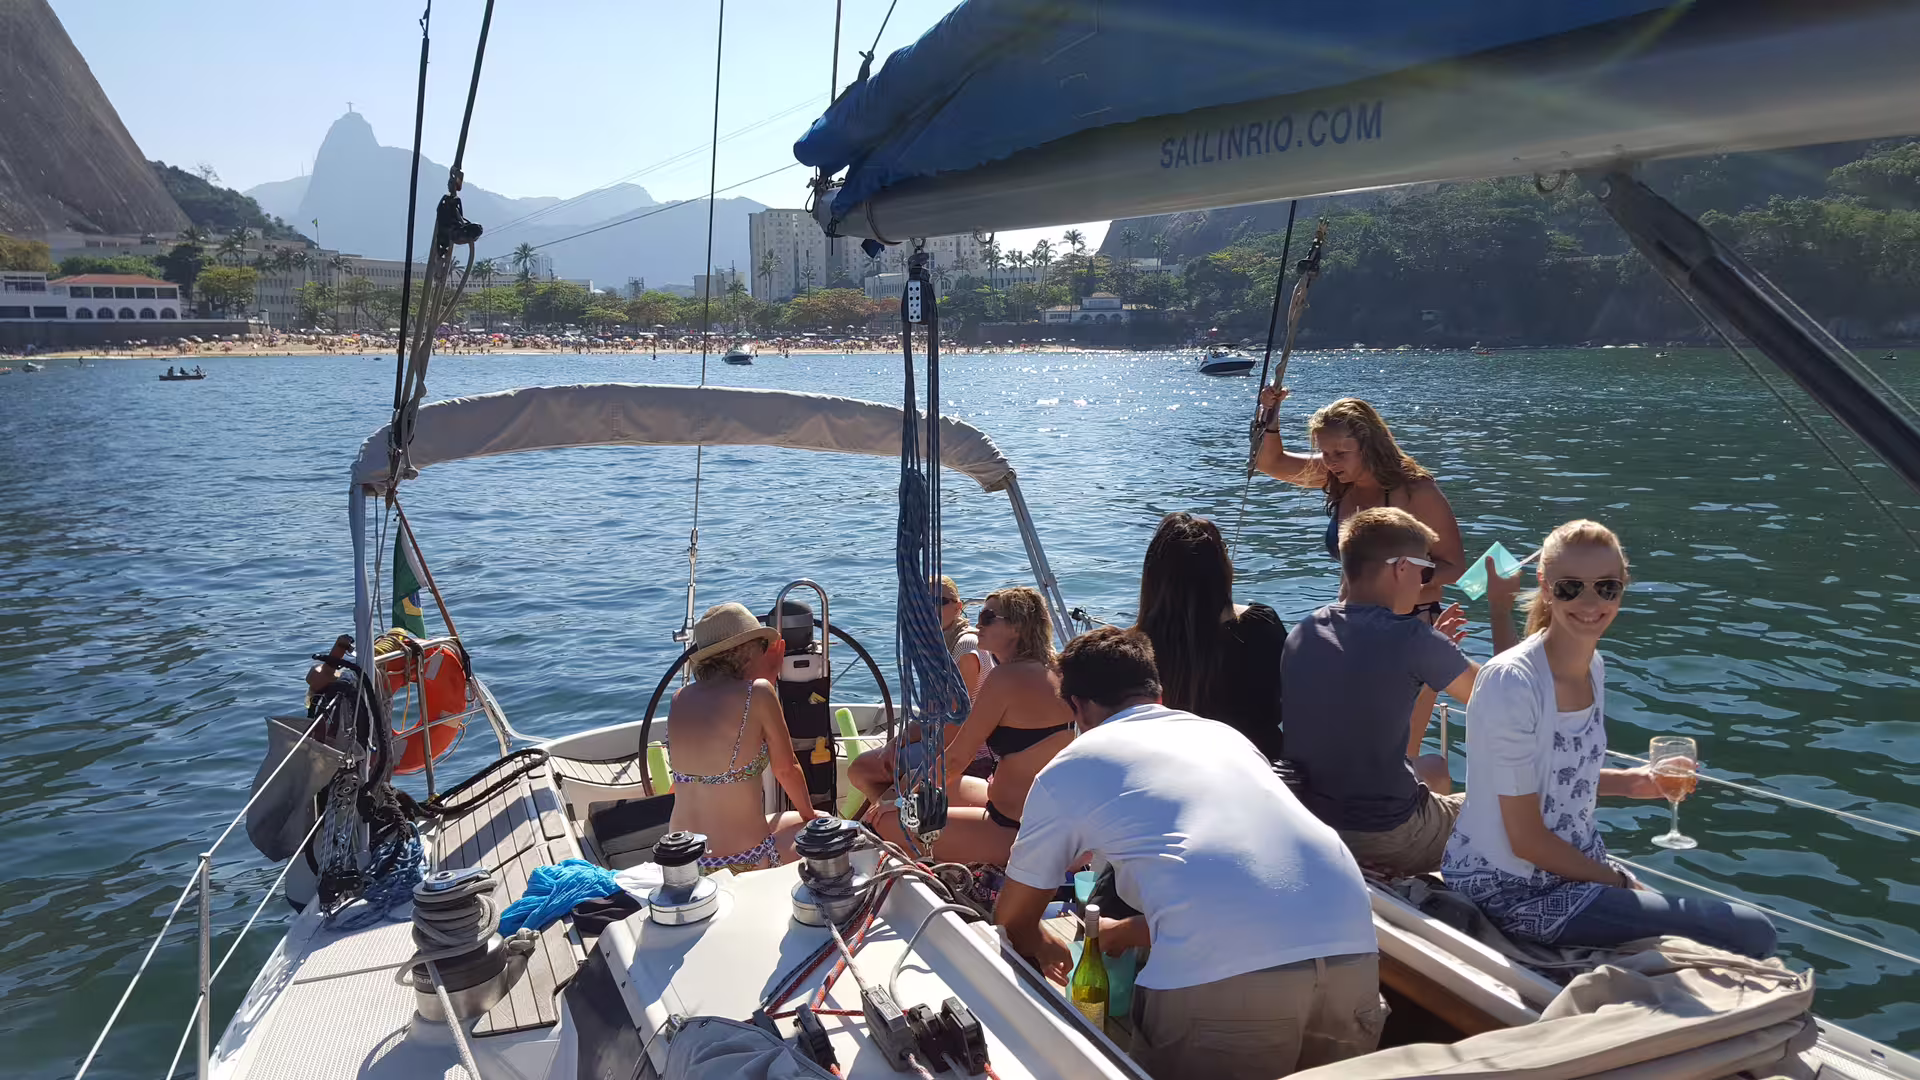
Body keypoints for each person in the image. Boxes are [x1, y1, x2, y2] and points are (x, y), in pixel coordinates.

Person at [996, 628, 1380, 1080]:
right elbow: (1247, 881)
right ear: (1159, 693)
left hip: (1228, 994)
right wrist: (1132, 931)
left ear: (1077, 707)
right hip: (1354, 954)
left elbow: (1013, 918)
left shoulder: (1070, 767)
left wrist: (1040, 941)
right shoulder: (1225, 738)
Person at [1443, 521, 1778, 957]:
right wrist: (1617, 881)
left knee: (1736, 930)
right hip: (1510, 887)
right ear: (1545, 586)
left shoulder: (1593, 666)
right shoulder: (1513, 684)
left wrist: (1634, 781)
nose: (1590, 602)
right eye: (1569, 588)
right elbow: (1525, 839)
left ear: (1622, 586)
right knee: (1752, 931)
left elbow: (1556, 778)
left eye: (1606, 587)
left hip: (1575, 866)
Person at [1255, 391, 1465, 787]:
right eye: (1325, 453)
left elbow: (1454, 565)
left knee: (1402, 752)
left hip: (1409, 624)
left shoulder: (1414, 490)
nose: (1331, 463)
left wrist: (1398, 578)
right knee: (1353, 743)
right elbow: (1271, 463)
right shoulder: (1338, 479)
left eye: (1340, 453)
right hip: (1351, 628)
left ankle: (1403, 834)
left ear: (1368, 444)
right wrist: (1271, 414)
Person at [1281, 507, 1479, 877]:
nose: (1424, 583)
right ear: (1401, 567)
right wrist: (1501, 607)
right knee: (1509, 809)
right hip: (1386, 837)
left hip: (1313, 826)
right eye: (1425, 570)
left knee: (1433, 768)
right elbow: (1500, 696)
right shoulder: (1413, 638)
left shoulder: (1302, 633)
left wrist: (1433, 656)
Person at [869, 587, 1074, 865]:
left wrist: (900, 804)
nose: (978, 624)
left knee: (889, 822)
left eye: (988, 617)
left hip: (1011, 827)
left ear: (1016, 626)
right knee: (918, 786)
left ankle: (939, 885)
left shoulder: (1005, 678)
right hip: (1041, 817)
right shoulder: (1058, 669)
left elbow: (956, 758)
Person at [665, 602, 820, 872]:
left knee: (784, 819)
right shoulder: (758, 693)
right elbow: (786, 769)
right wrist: (812, 818)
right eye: (763, 647)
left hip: (683, 863)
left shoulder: (680, 698)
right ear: (748, 653)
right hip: (744, 861)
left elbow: (680, 784)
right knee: (825, 826)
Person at [1133, 512, 1286, 759]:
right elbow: (1283, 704)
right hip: (1257, 766)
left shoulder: (1137, 648)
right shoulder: (1261, 625)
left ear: (1154, 576)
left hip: (1174, 769)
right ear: (1221, 567)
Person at [847, 576, 997, 803]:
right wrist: (897, 743)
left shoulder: (965, 648)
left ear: (958, 608)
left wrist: (923, 774)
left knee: (863, 770)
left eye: (939, 601)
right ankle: (891, 818)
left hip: (970, 754)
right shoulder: (939, 646)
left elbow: (955, 725)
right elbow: (932, 715)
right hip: (941, 740)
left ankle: (892, 818)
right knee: (867, 768)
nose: (930, 608)